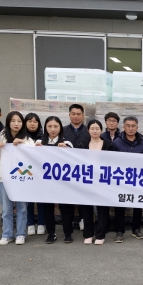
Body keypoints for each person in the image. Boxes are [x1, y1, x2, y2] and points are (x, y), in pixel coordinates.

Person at [0, 111, 34, 245]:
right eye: (13, 121)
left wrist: (24, 145)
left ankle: (21, 234)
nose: (16, 124)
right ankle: (7, 234)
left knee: (22, 207)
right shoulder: (0, 139)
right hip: (4, 179)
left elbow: (34, 157)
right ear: (8, 122)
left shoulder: (28, 140)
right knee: (6, 209)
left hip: (22, 179)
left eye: (19, 121)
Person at [35, 116, 75, 244]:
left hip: (63, 182)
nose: (53, 129)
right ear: (45, 128)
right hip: (46, 182)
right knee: (47, 208)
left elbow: (74, 160)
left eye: (56, 126)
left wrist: (67, 150)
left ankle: (68, 233)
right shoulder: (39, 143)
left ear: (60, 128)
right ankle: (51, 233)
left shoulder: (67, 143)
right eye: (49, 126)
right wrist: (35, 150)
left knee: (66, 208)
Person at [112, 116, 143, 242]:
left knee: (137, 205)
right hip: (121, 179)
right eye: (128, 126)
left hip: (137, 179)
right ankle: (119, 231)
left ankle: (136, 229)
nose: (131, 128)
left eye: (133, 126)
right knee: (119, 206)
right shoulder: (117, 142)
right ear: (123, 127)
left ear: (137, 127)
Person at [82, 119, 113, 245]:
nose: (95, 131)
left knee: (102, 208)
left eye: (97, 128)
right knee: (86, 208)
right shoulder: (82, 144)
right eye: (92, 128)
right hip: (87, 180)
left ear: (101, 130)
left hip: (103, 180)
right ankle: (88, 234)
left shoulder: (109, 145)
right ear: (88, 130)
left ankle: (100, 235)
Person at [62, 103, 90, 232]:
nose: (76, 116)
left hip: (84, 169)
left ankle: (83, 219)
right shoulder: (63, 130)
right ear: (69, 115)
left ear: (83, 116)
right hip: (67, 169)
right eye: (73, 114)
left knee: (83, 195)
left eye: (79, 114)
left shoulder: (89, 131)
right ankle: (70, 221)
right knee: (68, 196)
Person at [24, 113, 45, 236]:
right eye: (30, 121)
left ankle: (41, 223)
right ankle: (30, 224)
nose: (32, 124)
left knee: (41, 200)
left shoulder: (44, 137)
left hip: (41, 173)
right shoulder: (21, 137)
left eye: (35, 122)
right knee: (29, 201)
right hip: (27, 172)